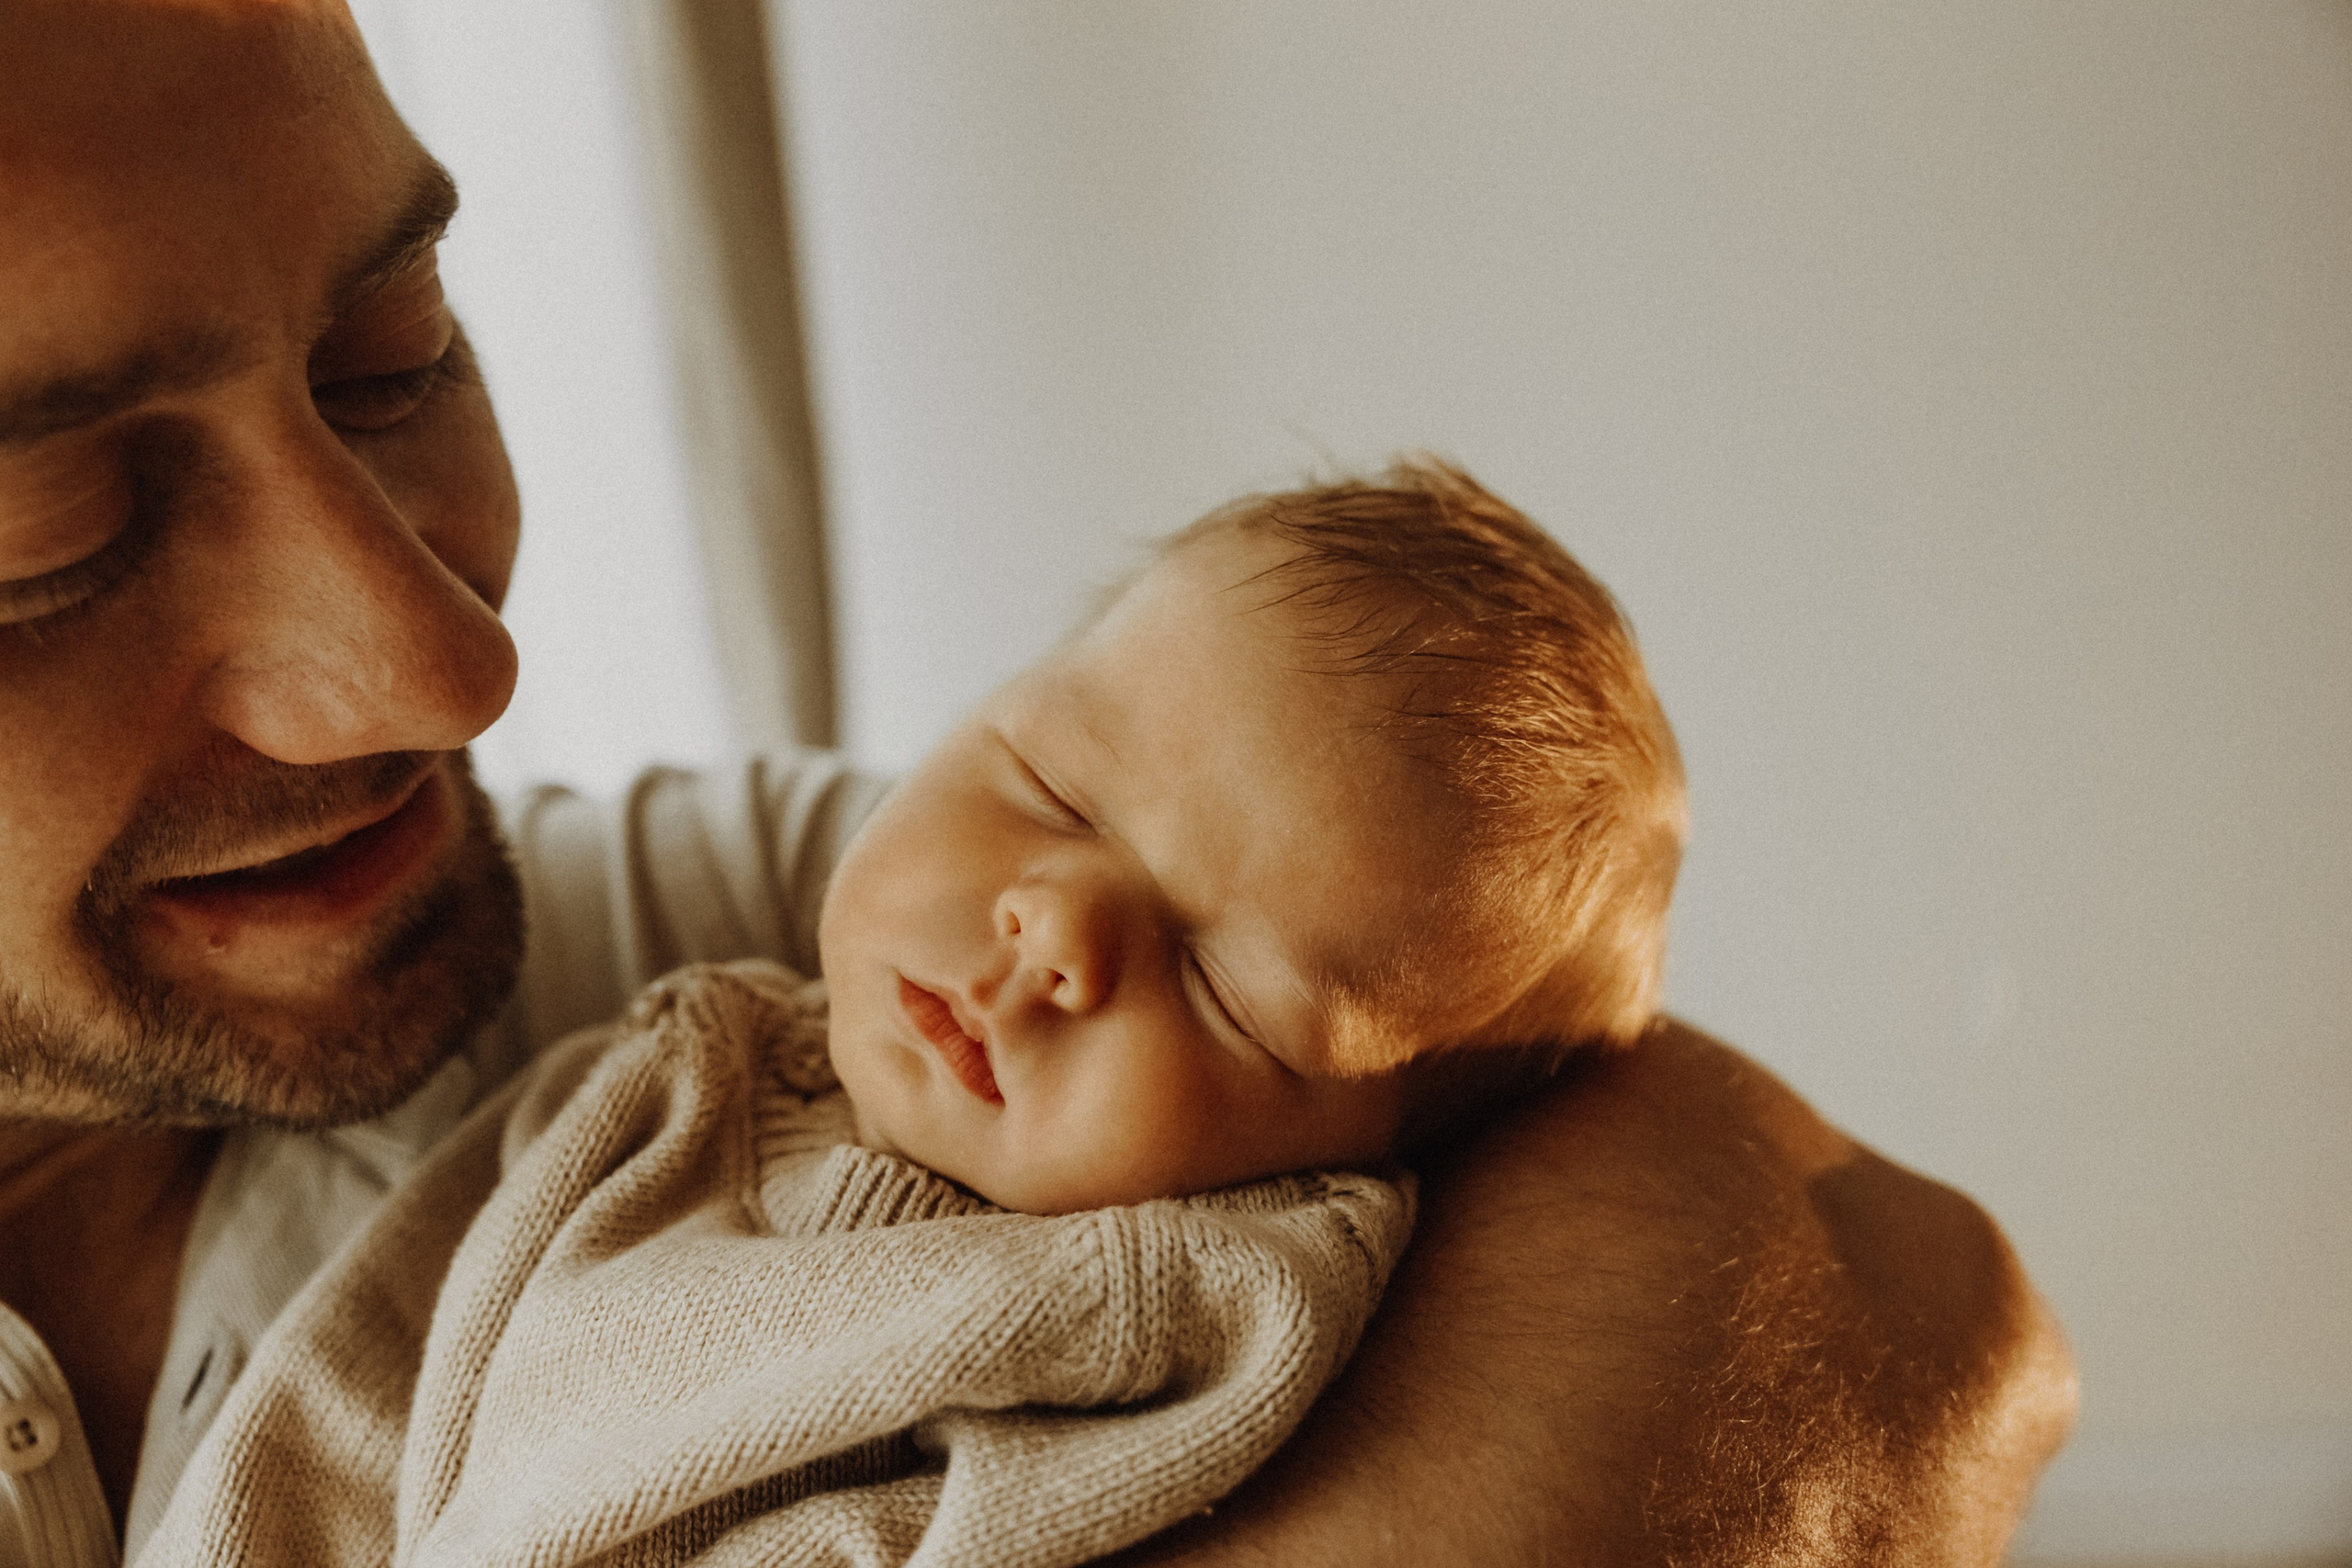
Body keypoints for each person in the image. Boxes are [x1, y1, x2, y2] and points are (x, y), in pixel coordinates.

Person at [0, 2, 2075, 1565]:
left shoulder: (731, 961)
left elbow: (1899, 1294)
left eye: (399, 355)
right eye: (53, 534)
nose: (444, 665)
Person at [141, 464, 1681, 1564]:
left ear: (1355, 1154)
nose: (1058, 926)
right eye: (1050, 787)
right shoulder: (676, 1070)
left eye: (1224, 989)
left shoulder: (1198, 1303)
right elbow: (352, 1401)